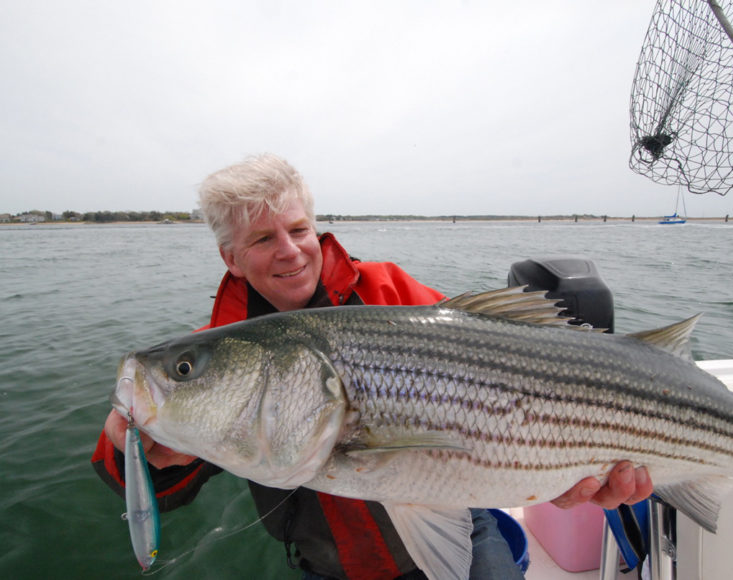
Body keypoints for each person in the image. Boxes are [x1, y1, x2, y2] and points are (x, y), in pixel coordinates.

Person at [93, 153, 653, 579]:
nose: (289, 251)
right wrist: (144, 455)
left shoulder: (390, 291)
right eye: (263, 239)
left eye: (298, 230)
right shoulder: (219, 353)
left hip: (462, 522)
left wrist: (551, 474)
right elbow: (147, 486)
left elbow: (508, 367)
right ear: (231, 258)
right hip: (331, 564)